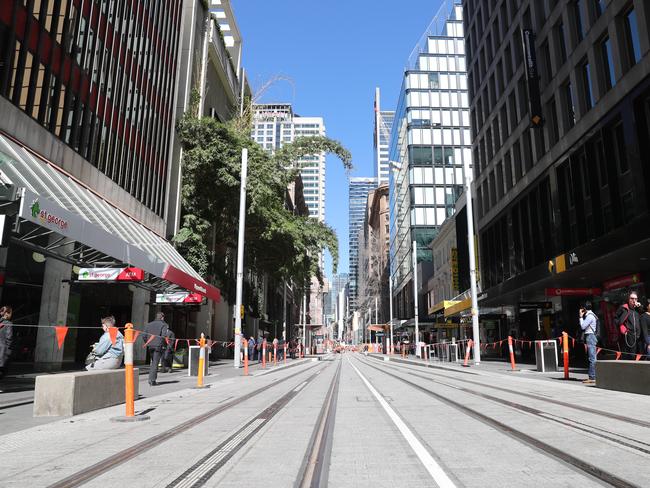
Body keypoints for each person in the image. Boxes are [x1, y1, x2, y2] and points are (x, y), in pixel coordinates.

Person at [143, 312, 169, 386]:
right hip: (158, 346)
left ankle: (151, 378)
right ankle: (152, 380)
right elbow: (164, 336)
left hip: (150, 346)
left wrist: (147, 342)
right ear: (162, 317)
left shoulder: (148, 324)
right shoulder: (164, 325)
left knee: (153, 362)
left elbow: (144, 335)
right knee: (155, 363)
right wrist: (162, 345)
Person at [579, 302, 598, 384]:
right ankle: (593, 376)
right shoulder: (591, 315)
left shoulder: (590, 316)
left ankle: (592, 377)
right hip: (590, 336)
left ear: (584, 309)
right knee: (592, 357)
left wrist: (580, 317)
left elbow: (583, 326)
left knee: (592, 358)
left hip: (590, 336)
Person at [0, 305, 13, 378]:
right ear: (7, 313)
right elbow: (9, 337)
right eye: (11, 313)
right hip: (3, 351)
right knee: (2, 371)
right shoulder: (9, 324)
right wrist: (9, 349)